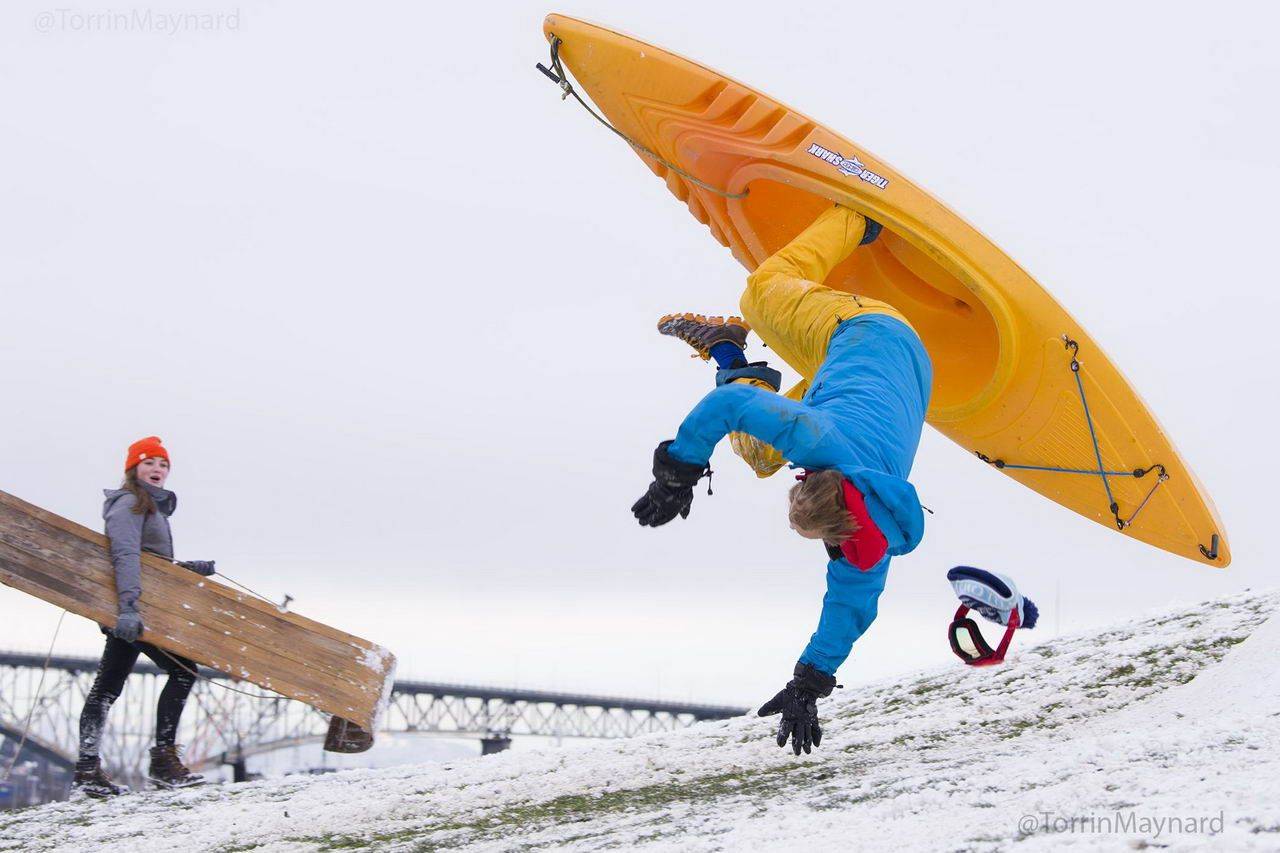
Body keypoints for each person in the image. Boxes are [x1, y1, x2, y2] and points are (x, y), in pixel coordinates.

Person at [631, 205, 933, 755]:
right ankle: (855, 221)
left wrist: (810, 679)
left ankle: (725, 346)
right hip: (868, 329)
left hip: (878, 380)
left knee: (757, 455)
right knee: (761, 290)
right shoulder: (818, 442)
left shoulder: (874, 536)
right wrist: (678, 472)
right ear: (822, 482)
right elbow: (728, 403)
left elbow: (852, 605)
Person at [73, 436, 215, 797]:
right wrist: (127, 609)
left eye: (163, 464)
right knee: (183, 672)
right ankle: (162, 762)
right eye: (149, 462)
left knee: (107, 687)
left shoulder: (150, 506)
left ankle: (87, 771)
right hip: (133, 612)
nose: (157, 469)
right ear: (133, 468)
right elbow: (124, 556)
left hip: (138, 609)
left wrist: (184, 569)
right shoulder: (130, 504)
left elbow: (148, 560)